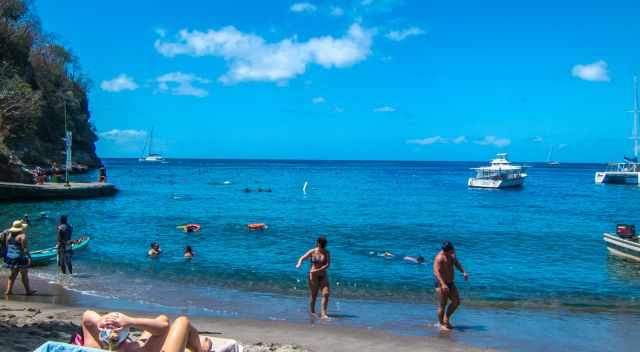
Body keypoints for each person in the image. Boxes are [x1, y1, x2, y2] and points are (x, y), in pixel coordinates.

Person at [80, 311, 214, 352]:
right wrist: (132, 320)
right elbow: (164, 326)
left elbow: (87, 316)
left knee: (161, 317)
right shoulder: (135, 349)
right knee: (182, 321)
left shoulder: (93, 347)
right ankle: (200, 350)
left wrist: (100, 320)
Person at [433, 241, 469, 331]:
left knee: (456, 301)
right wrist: (443, 284)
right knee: (443, 304)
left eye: (453, 249)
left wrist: (463, 272)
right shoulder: (439, 258)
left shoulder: (452, 254)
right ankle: (441, 324)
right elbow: (436, 273)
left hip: (450, 282)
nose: (453, 251)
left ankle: (446, 319)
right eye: (451, 250)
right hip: (441, 283)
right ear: (446, 251)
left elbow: (456, 263)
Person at [296, 236, 331, 319]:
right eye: (321, 244)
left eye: (324, 244)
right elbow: (302, 257)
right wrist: (299, 263)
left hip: (323, 275)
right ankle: (312, 312)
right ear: (318, 243)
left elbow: (328, 264)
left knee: (326, 294)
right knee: (314, 294)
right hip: (313, 275)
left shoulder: (327, 252)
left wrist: (319, 269)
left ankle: (323, 314)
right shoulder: (312, 251)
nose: (322, 246)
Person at [3, 220, 36, 295]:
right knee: (24, 275)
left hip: (11, 258)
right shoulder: (22, 236)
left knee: (12, 274)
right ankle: (28, 291)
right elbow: (25, 249)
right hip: (20, 258)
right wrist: (30, 258)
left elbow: (7, 247)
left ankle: (8, 290)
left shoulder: (9, 235)